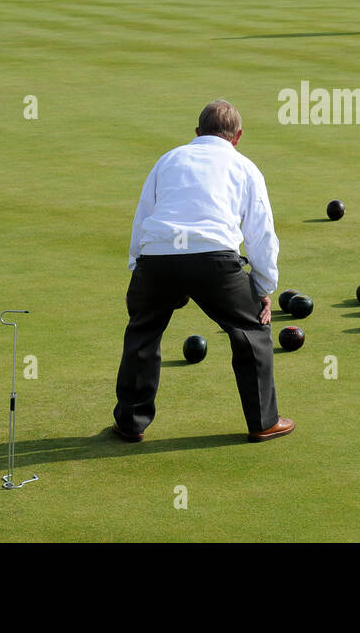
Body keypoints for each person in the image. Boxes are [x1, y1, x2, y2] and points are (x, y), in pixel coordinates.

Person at [114, 99, 291, 443]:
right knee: (251, 331)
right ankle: (263, 422)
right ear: (238, 136)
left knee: (142, 333)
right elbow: (261, 234)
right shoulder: (245, 167)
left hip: (158, 259)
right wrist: (263, 289)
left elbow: (143, 217)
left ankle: (130, 424)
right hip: (215, 260)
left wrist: (137, 272)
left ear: (197, 133)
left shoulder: (168, 160)